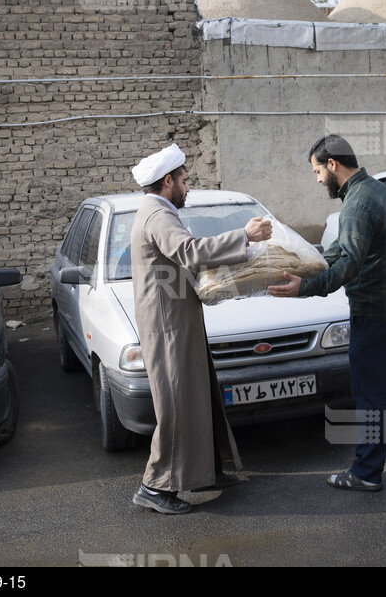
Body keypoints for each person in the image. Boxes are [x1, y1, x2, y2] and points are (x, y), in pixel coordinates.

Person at [267, 135, 386, 491]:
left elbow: (349, 262)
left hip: (375, 312)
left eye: (318, 171)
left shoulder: (356, 206)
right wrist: (310, 266)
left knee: (369, 394)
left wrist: (306, 288)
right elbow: (343, 251)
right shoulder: (375, 190)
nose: (318, 179)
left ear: (332, 164)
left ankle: (366, 472)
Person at [129, 144, 272, 514]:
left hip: (179, 323)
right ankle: (154, 486)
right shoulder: (157, 214)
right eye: (184, 179)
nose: (188, 186)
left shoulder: (158, 210)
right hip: (167, 327)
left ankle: (204, 472)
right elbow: (189, 251)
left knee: (198, 397)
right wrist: (244, 236)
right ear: (168, 181)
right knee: (176, 405)